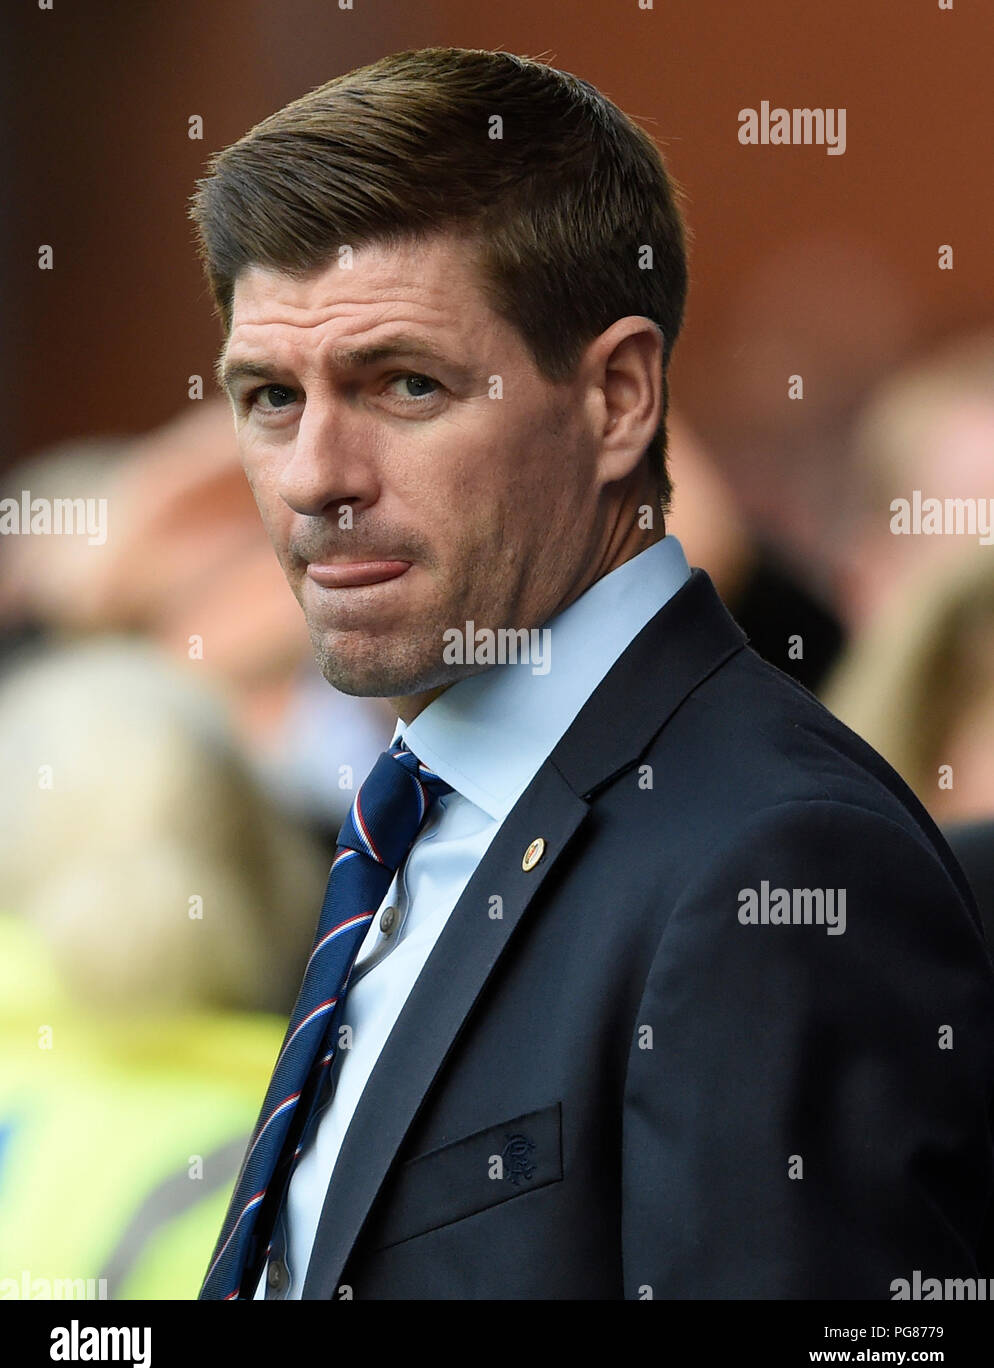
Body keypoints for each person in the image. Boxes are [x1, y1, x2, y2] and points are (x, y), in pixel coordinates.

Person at [188, 46, 994, 1300]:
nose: (314, 477)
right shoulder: (414, 819)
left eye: (404, 384)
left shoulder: (774, 862)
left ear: (618, 396)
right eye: (268, 398)